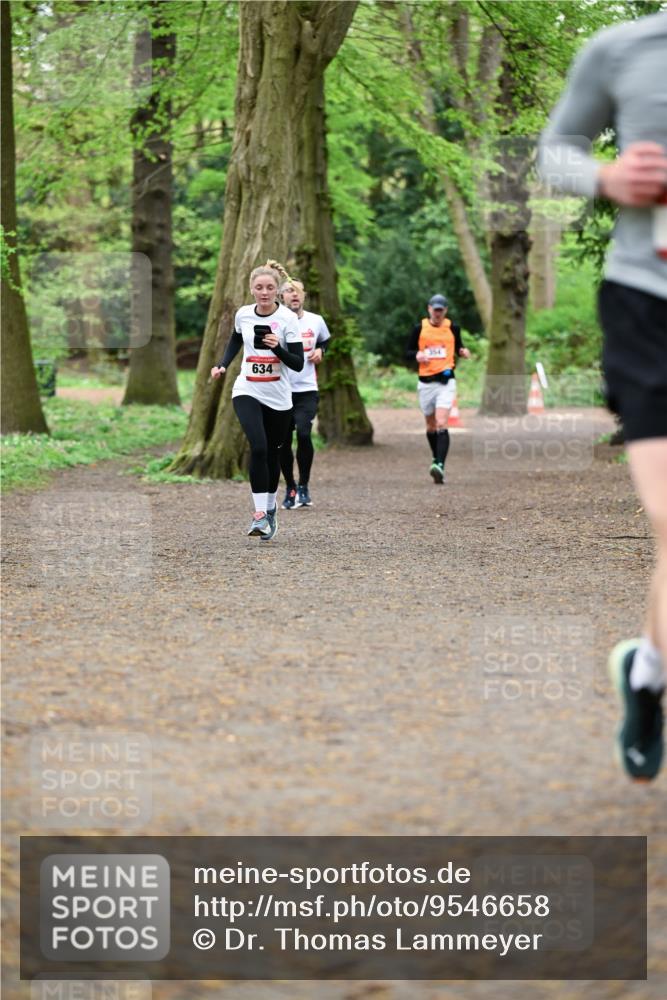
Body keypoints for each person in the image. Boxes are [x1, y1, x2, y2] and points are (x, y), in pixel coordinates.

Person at [539, 11, 667, 780]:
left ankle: (647, 670)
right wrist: (605, 178)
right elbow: (556, 151)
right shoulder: (622, 48)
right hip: (647, 304)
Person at [211, 261, 304, 541]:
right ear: (251, 289)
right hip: (247, 388)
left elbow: (298, 364)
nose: (264, 292)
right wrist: (223, 364)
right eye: (259, 287)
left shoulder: (288, 319)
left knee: (274, 453)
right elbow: (236, 340)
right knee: (259, 447)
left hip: (279, 396)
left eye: (270, 288)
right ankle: (259, 515)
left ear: (278, 291)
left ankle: (271, 506)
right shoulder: (243, 315)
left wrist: (278, 348)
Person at [406, 294, 471, 483]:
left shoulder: (453, 328)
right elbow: (407, 351)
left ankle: (440, 465)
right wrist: (417, 355)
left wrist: (462, 351)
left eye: (440, 310)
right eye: (435, 310)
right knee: (431, 425)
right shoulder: (419, 329)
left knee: (442, 422)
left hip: (446, 381)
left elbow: (458, 346)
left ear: (445, 311)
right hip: (426, 383)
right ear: (429, 309)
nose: (437, 313)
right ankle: (436, 458)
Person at [278, 278, 330, 509]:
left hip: (307, 389)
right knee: (283, 441)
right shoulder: (276, 321)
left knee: (305, 433)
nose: (294, 294)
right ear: (282, 296)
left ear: (304, 295)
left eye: (298, 290)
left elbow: (325, 340)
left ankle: (304, 486)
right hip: (279, 389)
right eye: (289, 291)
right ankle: (289, 485)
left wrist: (320, 350)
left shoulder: (315, 321)